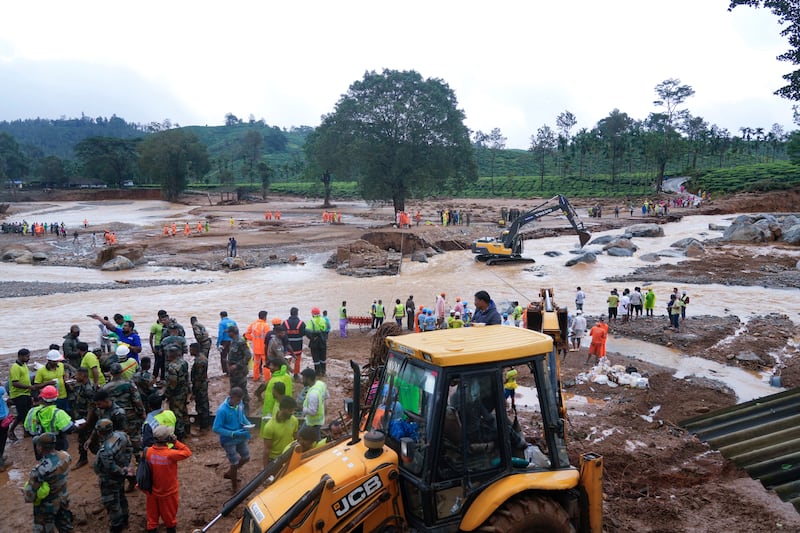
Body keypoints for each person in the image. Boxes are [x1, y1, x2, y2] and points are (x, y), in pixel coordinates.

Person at [143, 425, 192, 533]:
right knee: (170, 519)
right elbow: (187, 452)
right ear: (168, 438)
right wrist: (176, 442)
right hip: (168, 493)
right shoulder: (171, 454)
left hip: (151, 492)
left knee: (152, 520)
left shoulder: (148, 452)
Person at [24, 432, 73, 532]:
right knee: (66, 527)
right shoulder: (66, 456)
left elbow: (29, 497)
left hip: (47, 507)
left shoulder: (39, 470)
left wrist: (25, 491)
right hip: (63, 498)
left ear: (40, 448)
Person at [93, 418, 133, 533]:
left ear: (99, 432)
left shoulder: (105, 450)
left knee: (112, 503)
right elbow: (129, 449)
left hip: (109, 479)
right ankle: (125, 519)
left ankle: (116, 526)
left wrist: (121, 471)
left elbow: (110, 467)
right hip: (120, 474)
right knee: (121, 496)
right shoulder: (122, 435)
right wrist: (125, 466)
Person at [212, 387, 251, 491]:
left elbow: (242, 416)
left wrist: (248, 424)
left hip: (240, 436)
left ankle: (230, 473)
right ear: (231, 397)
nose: (239, 402)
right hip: (228, 440)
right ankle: (234, 486)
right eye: (237, 400)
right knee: (234, 462)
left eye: (240, 400)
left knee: (246, 457)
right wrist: (232, 433)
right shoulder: (222, 410)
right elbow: (216, 428)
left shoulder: (240, 404)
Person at [24, 385, 74, 458]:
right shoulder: (59, 413)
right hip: (57, 445)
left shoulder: (32, 412)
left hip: (39, 446)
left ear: (41, 398)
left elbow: (27, 429)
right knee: (59, 465)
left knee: (44, 464)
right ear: (56, 398)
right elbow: (69, 429)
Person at [69, 368, 95, 469]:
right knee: (81, 438)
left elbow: (91, 406)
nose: (75, 376)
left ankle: (101, 459)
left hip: (87, 418)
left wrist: (87, 421)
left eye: (77, 375)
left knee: (92, 441)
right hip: (80, 416)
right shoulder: (81, 385)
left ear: (83, 376)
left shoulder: (89, 389)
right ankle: (83, 459)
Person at [261, 396, 299, 467]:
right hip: (275, 460)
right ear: (282, 409)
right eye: (290, 411)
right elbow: (267, 450)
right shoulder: (269, 427)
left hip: (289, 456)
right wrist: (265, 470)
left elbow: (296, 438)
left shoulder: (294, 420)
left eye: (293, 410)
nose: (292, 413)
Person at [164, 345, 190, 439]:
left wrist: (167, 394)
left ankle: (180, 435)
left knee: (177, 414)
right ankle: (187, 429)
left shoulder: (172, 367)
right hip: (184, 391)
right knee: (184, 410)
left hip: (176, 394)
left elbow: (172, 384)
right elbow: (187, 377)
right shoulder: (184, 362)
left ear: (171, 354)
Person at [227, 325, 252, 415]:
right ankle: (235, 408)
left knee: (242, 390)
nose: (227, 334)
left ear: (232, 333)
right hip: (233, 373)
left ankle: (246, 409)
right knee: (233, 389)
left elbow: (248, 355)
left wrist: (237, 366)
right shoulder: (233, 341)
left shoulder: (240, 342)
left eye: (228, 332)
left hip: (240, 372)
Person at [300, 368, 328, 442]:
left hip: (312, 422)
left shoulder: (313, 394)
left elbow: (312, 412)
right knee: (316, 438)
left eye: (303, 378)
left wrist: (302, 409)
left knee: (300, 436)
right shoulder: (321, 384)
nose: (302, 380)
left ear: (308, 379)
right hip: (319, 420)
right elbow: (326, 396)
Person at [189, 342, 211, 430]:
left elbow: (197, 379)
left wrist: (194, 392)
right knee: (204, 404)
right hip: (203, 385)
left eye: (191, 349)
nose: (189, 351)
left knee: (201, 406)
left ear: (195, 350)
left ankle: (204, 426)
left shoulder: (199, 362)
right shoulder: (202, 357)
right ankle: (205, 424)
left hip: (200, 386)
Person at [244, 310, 270, 382]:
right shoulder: (266, 325)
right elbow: (268, 337)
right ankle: (267, 379)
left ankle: (256, 377)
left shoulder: (253, 324)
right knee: (266, 364)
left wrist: (253, 339)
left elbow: (246, 334)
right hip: (264, 348)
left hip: (255, 348)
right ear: (265, 317)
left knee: (256, 363)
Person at [283, 307, 306, 381]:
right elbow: (303, 333)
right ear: (297, 313)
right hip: (298, 345)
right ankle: (296, 375)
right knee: (297, 360)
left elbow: (282, 333)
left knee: (287, 359)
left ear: (290, 313)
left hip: (288, 345)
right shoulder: (301, 323)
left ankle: (286, 374)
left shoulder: (285, 323)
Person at [306, 307, 328, 377]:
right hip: (322, 340)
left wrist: (312, 338)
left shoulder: (311, 321)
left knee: (316, 357)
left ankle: (318, 372)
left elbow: (307, 331)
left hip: (315, 341)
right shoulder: (323, 320)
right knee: (323, 357)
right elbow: (326, 329)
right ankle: (323, 371)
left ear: (312, 314)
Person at [149, 310, 168, 381]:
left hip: (166, 346)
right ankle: (154, 378)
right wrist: (152, 348)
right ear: (159, 316)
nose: (164, 317)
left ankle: (162, 379)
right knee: (157, 363)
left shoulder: (167, 324)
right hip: (158, 346)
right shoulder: (155, 325)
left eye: (165, 316)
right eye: (163, 316)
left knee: (164, 363)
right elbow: (151, 337)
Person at [217, 310, 237, 375]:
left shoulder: (222, 323)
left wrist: (218, 343)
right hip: (233, 340)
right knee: (232, 356)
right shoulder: (233, 322)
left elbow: (220, 334)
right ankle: (233, 370)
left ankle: (227, 371)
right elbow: (237, 331)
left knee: (223, 356)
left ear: (221, 316)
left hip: (224, 342)